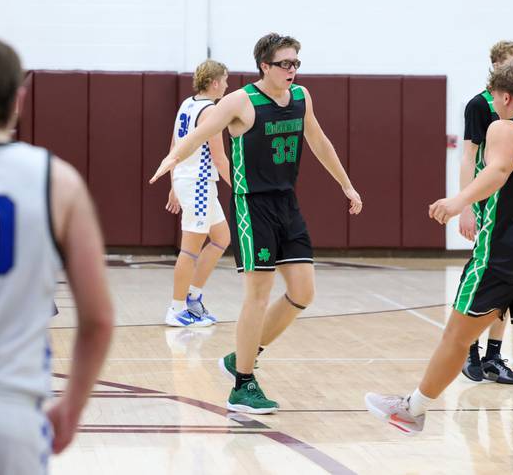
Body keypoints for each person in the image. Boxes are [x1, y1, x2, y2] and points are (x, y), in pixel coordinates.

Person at [364, 60, 513, 465]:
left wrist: (459, 201)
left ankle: (413, 409)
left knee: (457, 336)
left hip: (503, 253)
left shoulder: (505, 128)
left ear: (503, 97)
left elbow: (500, 169)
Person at [150, 32, 362, 414]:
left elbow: (319, 141)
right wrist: (172, 160)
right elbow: (199, 134)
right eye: (285, 63)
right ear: (265, 66)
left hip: (287, 204)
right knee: (258, 294)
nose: (292, 70)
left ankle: (241, 357)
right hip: (252, 206)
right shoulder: (240, 101)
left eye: (296, 63)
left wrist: (346, 184)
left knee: (303, 292)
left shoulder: (301, 98)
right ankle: (242, 385)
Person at [0, 35, 113, 474]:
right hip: (6, 414)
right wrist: (72, 406)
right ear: (17, 99)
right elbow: (97, 319)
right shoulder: (57, 180)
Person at [459, 40, 513, 385]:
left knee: (510, 278)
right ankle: (469, 348)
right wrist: (466, 206)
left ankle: (493, 356)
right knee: (484, 275)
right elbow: (469, 156)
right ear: (497, 66)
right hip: (488, 201)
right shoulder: (480, 105)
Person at [164, 60, 232, 327]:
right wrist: (242, 189)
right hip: (198, 183)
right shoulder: (211, 111)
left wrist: (174, 184)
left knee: (221, 238)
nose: (227, 85)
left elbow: (174, 148)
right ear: (214, 82)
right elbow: (219, 158)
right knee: (190, 250)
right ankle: (176, 308)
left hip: (189, 180)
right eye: (224, 80)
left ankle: (193, 297)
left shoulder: (187, 104)